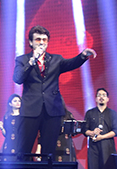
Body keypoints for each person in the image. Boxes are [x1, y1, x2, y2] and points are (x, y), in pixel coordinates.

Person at [13, 25, 96, 158]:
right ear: (30, 42)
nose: (41, 43)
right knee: (23, 149)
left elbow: (71, 63)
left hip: (52, 110)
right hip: (30, 110)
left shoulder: (56, 59)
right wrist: (32, 61)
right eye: (38, 39)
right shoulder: (22, 60)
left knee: (49, 152)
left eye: (44, 40)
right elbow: (18, 78)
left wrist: (83, 56)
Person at [83, 88, 117, 169]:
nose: (101, 97)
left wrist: (102, 137)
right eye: (99, 95)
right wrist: (92, 133)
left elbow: (116, 131)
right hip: (94, 148)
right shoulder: (90, 113)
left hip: (108, 147)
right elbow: (84, 130)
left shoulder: (112, 113)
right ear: (96, 99)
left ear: (108, 99)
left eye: (104, 95)